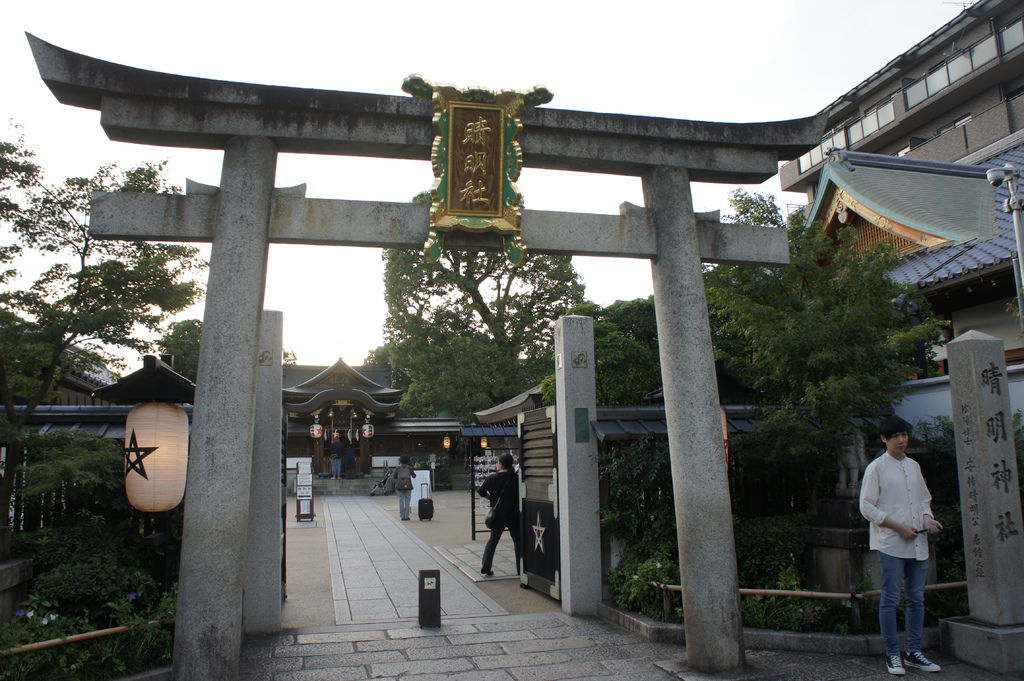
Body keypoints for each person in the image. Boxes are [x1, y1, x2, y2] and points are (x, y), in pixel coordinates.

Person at [859, 415, 943, 676]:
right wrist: (897, 526)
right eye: (895, 436)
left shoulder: (914, 466)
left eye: (904, 435)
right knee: (891, 599)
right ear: (884, 439)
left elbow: (923, 500)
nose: (901, 440)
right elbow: (866, 506)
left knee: (917, 598)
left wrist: (928, 519)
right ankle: (893, 653)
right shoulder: (876, 468)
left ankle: (914, 651)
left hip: (918, 541)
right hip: (891, 543)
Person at [477, 453, 521, 577]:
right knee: (518, 541)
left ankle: (486, 567)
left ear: (501, 464)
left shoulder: (492, 478)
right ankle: (520, 568)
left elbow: (481, 492)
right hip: (513, 513)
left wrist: (491, 498)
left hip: (498, 514)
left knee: (493, 541)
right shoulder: (515, 478)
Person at [393, 455, 416, 521]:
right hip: (408, 486)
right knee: (407, 501)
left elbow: (394, 476)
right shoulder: (409, 468)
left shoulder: (397, 468)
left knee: (401, 501)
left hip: (399, 486)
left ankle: (402, 516)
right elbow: (414, 476)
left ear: (400, 461)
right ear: (408, 461)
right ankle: (407, 516)